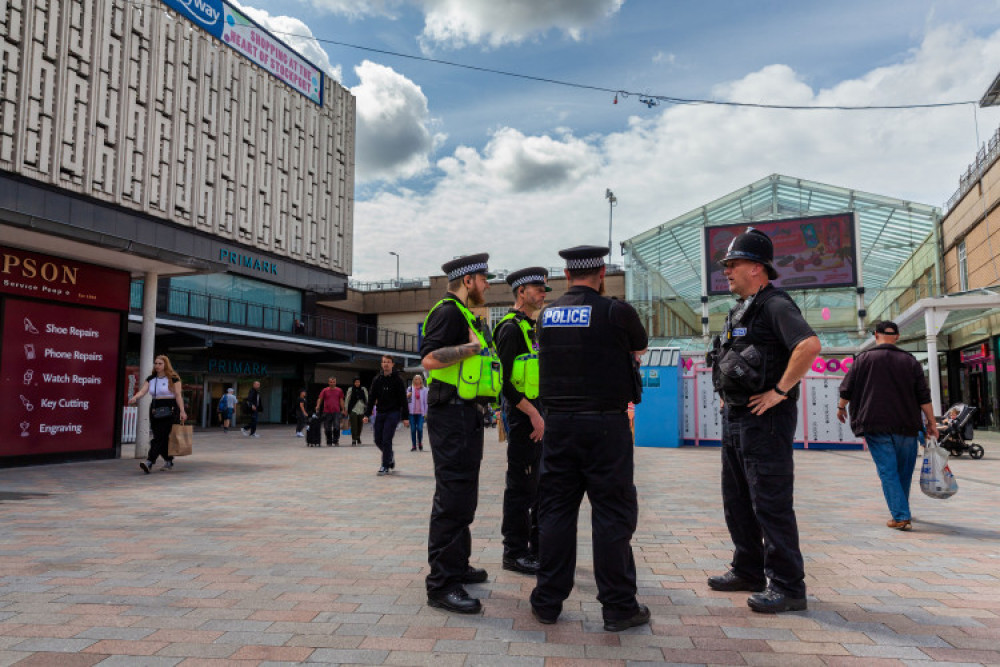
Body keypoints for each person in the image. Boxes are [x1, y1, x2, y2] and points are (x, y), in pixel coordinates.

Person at [528, 246, 650, 632]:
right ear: (600, 273)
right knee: (612, 515)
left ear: (566, 275)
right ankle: (618, 608)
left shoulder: (546, 315)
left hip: (559, 426)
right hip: (605, 427)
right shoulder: (617, 312)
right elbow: (639, 348)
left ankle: (547, 602)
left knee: (556, 513)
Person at [705, 227, 821, 614]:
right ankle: (748, 569)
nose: (727, 271)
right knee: (737, 499)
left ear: (757, 268)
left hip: (765, 421)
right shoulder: (743, 308)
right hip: (738, 416)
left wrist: (781, 391)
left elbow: (808, 346)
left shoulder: (775, 304)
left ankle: (788, 587)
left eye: (733, 264)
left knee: (770, 503)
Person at [420, 252, 497, 614]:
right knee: (452, 498)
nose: (486, 285)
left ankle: (458, 565)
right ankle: (441, 585)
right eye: (483, 279)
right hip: (449, 415)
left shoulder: (465, 313)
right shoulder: (447, 311)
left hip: (464, 415)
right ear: (467, 280)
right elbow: (429, 359)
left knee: (464, 495)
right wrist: (472, 347)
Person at [837, 320, 939, 531]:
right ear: (898, 337)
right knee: (903, 470)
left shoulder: (863, 359)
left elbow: (847, 388)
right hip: (907, 424)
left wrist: (841, 408)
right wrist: (931, 422)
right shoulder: (910, 361)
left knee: (888, 471)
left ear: (876, 335)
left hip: (875, 424)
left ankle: (901, 515)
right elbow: (923, 396)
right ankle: (902, 510)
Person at [492, 266, 550, 576]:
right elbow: (503, 381)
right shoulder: (511, 329)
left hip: (539, 417)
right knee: (520, 488)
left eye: (544, 289)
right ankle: (513, 552)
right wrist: (532, 414)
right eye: (537, 288)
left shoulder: (533, 327)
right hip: (524, 419)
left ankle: (536, 547)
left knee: (538, 486)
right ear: (520, 292)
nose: (543, 293)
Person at [128, 354, 188, 473]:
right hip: (155, 408)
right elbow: (143, 391)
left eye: (160, 363)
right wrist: (135, 397)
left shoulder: (173, 378)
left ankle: (149, 461)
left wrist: (182, 411)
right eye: (156, 363)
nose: (157, 366)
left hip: (170, 408)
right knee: (160, 437)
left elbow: (178, 395)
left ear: (166, 364)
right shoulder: (151, 379)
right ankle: (168, 460)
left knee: (160, 437)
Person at [364, 355, 410, 474]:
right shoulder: (377, 380)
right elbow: (371, 398)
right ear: (381, 364)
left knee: (386, 439)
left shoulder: (398, 380)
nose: (386, 364)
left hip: (393, 413)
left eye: (388, 362)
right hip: (380, 413)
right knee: (377, 439)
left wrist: (405, 417)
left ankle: (385, 465)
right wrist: (367, 414)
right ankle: (389, 455)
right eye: (384, 362)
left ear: (392, 364)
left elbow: (403, 400)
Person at [315, 377, 345, 446]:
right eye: (331, 382)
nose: (332, 383)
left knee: (336, 427)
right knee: (327, 428)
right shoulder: (325, 390)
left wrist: (343, 409)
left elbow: (341, 400)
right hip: (327, 412)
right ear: (328, 383)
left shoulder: (339, 390)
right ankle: (329, 441)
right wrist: (318, 406)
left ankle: (336, 440)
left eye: (333, 382)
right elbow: (320, 399)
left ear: (335, 382)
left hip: (336, 412)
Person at [345, 377, 368, 446]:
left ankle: (358, 437)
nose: (357, 383)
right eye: (356, 382)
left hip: (361, 408)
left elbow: (367, 398)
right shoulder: (350, 389)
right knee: (354, 425)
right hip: (353, 409)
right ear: (354, 383)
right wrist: (346, 409)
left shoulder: (363, 389)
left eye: (358, 382)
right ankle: (353, 439)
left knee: (360, 425)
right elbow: (347, 399)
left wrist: (369, 408)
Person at [407, 374, 428, 451]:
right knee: (413, 429)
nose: (417, 380)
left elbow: (426, 402)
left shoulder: (424, 390)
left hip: (420, 413)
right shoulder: (410, 389)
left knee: (419, 429)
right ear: (413, 380)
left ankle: (420, 443)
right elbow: (407, 401)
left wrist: (426, 413)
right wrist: (407, 396)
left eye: (418, 379)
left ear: (421, 381)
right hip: (412, 413)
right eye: (415, 379)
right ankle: (413, 445)